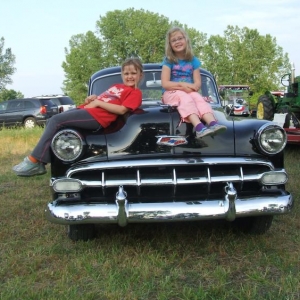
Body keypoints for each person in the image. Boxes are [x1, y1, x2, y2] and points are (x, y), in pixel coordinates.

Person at [13, 57, 144, 177]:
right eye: (126, 74)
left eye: (133, 73)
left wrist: (98, 103)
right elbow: (107, 99)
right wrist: (93, 98)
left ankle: (34, 161)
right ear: (122, 75)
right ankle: (42, 162)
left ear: (140, 75)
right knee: (51, 122)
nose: (129, 77)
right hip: (87, 110)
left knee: (55, 121)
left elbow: (121, 110)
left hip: (98, 117)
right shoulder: (116, 87)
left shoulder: (135, 93)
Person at [161, 27, 227, 138]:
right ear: (170, 44)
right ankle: (199, 128)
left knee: (198, 97)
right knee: (185, 97)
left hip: (189, 92)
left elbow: (197, 85)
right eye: (174, 40)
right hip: (170, 94)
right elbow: (165, 84)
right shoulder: (168, 61)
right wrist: (183, 86)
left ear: (186, 40)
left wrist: (190, 88)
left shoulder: (193, 61)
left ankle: (212, 123)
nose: (177, 42)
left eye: (180, 38)